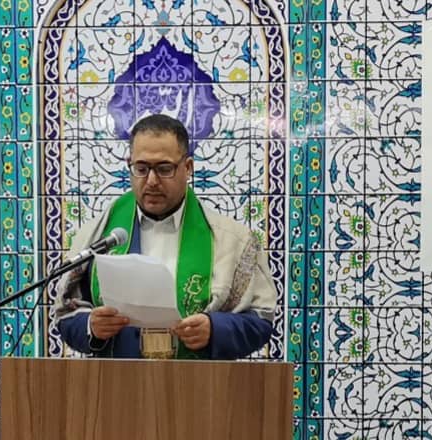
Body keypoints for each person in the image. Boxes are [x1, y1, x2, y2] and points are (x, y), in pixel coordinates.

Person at [51, 114, 276, 360]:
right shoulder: (98, 235)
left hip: (199, 383)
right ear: (129, 164)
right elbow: (66, 312)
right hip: (117, 382)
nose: (151, 181)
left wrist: (215, 330)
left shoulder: (231, 240)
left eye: (164, 169)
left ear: (188, 168)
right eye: (141, 169)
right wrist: (91, 327)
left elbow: (261, 319)